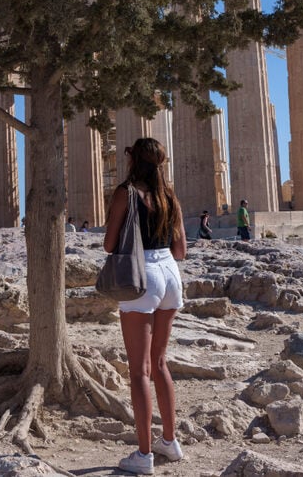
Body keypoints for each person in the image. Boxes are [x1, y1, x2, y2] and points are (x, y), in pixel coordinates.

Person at [103, 138, 187, 475]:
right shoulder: (170, 197)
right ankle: (170, 440)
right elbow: (181, 250)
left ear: (133, 159)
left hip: (143, 275)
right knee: (161, 363)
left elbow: (110, 243)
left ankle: (144, 455)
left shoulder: (126, 192)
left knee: (139, 370)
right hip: (170, 272)